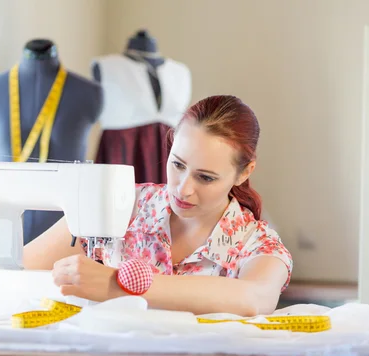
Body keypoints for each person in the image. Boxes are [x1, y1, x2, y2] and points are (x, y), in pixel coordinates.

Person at [23, 95, 293, 317]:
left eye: (205, 177)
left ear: (245, 172)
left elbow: (254, 298)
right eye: (177, 164)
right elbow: (21, 267)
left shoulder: (258, 244)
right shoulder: (120, 205)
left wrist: (116, 286)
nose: (183, 189)